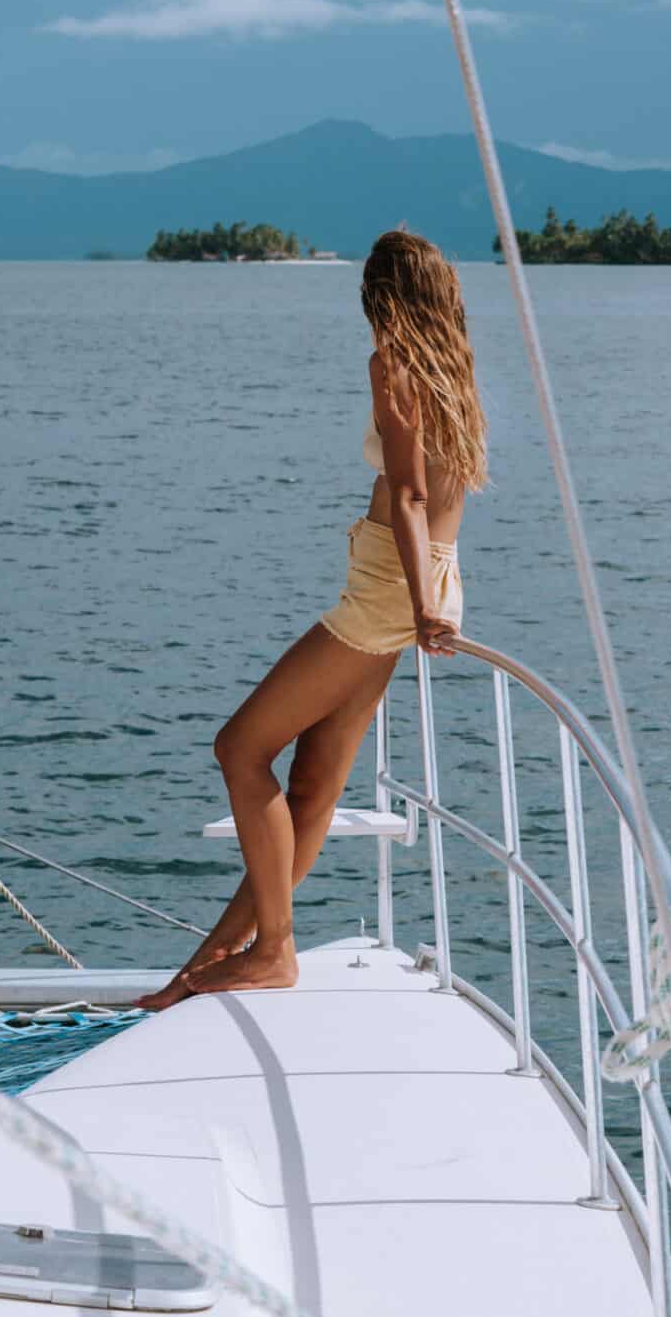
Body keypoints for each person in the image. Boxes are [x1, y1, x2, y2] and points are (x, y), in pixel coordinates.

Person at [138, 229, 487, 1007]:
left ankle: (274, 951)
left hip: (391, 589)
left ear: (380, 294)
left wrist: (421, 608)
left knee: (239, 748)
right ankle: (224, 953)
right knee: (314, 783)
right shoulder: (455, 368)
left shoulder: (393, 364)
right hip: (424, 575)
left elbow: (408, 494)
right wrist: (431, 596)